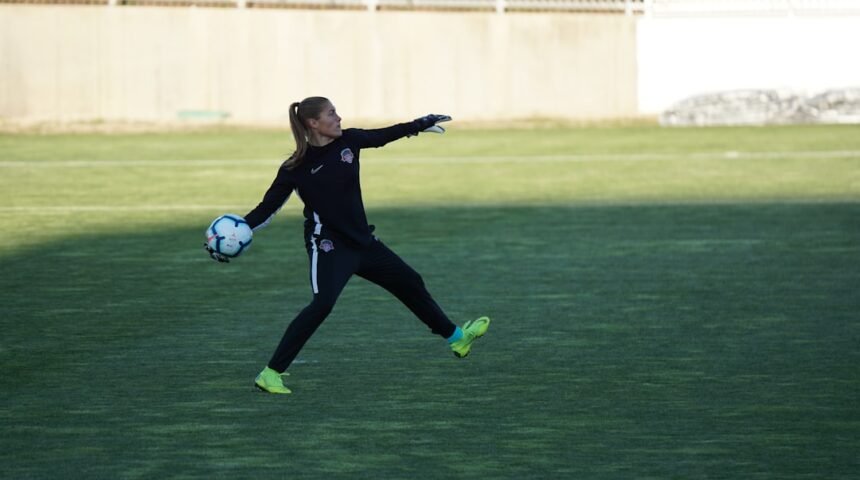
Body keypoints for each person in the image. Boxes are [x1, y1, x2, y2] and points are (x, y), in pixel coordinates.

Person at [205, 96, 490, 394]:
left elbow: (382, 136)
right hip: (328, 245)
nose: (339, 117)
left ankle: (457, 338)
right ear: (313, 123)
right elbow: (267, 209)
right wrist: (234, 234)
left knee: (410, 281)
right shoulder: (295, 167)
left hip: (363, 242)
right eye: (332, 113)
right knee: (322, 304)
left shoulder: (349, 141)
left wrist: (420, 124)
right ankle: (271, 373)